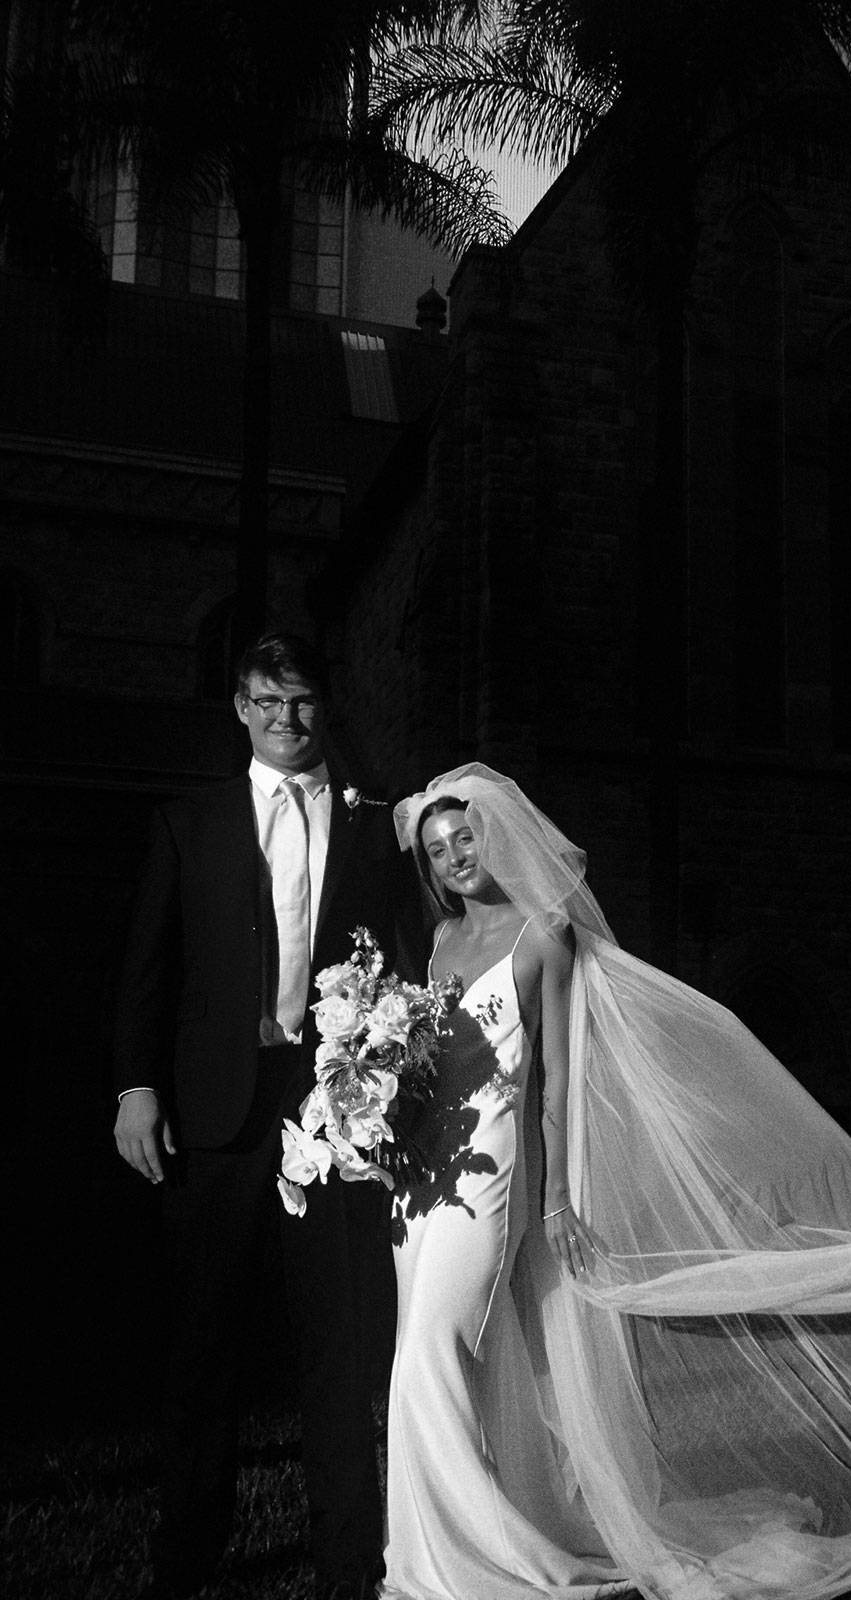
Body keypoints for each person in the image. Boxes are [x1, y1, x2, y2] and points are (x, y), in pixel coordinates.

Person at [381, 762, 851, 1600]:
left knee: (425, 1354)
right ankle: (474, 1534)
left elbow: (555, 1083)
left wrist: (555, 1199)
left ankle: (440, 1567)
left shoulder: (542, 935)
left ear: (498, 834)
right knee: (457, 1357)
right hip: (422, 1179)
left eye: (466, 837)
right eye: (438, 849)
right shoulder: (440, 942)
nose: (454, 858)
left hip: (495, 1182)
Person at [113, 632, 419, 1600]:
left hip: (335, 1114)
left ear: (323, 707)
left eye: (301, 702)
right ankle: (186, 1556)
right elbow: (148, 966)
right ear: (240, 708)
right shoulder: (187, 822)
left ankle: (344, 1563)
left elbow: (410, 956)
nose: (286, 720)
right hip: (214, 1112)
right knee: (203, 1343)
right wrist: (135, 1086)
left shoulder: (379, 829)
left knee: (337, 1346)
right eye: (266, 702)